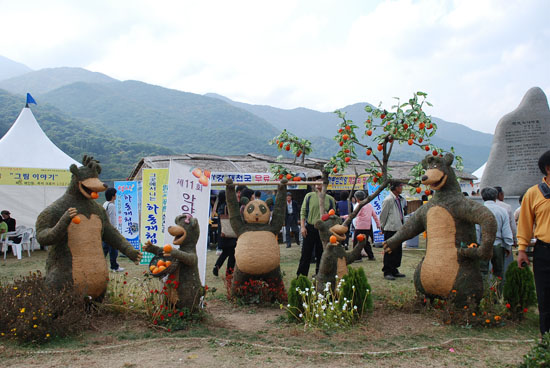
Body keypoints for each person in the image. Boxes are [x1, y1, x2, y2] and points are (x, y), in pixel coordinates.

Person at [517, 150, 550, 336]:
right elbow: (525, 223)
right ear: (548, 168)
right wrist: (522, 250)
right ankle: (546, 340)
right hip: (544, 251)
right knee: (545, 298)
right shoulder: (534, 193)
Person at [297, 183, 335, 277]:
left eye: (321, 183)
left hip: (323, 230)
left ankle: (320, 276)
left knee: (321, 254)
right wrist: (302, 226)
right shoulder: (309, 196)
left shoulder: (330, 199)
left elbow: (333, 216)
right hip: (310, 228)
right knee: (306, 254)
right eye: (316, 183)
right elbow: (303, 211)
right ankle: (301, 277)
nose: (318, 185)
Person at [479, 187, 513, 288]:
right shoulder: (502, 211)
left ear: (482, 197)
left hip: (483, 244)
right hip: (498, 244)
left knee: (482, 272)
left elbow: (477, 229)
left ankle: (484, 296)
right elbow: (506, 230)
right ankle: (498, 298)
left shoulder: (479, 210)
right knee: (499, 273)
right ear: (496, 196)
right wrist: (508, 246)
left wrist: (476, 243)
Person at [380, 182, 407, 280]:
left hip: (398, 228)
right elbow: (383, 214)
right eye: (400, 186)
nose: (402, 188)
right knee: (389, 250)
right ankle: (387, 271)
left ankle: (394, 269)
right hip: (390, 228)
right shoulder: (388, 200)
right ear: (394, 188)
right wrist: (382, 227)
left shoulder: (400, 199)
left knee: (397, 251)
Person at [213, 191, 237, 277]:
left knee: (226, 252)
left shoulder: (220, 206)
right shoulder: (227, 206)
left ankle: (216, 267)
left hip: (222, 233)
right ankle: (229, 272)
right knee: (232, 254)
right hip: (229, 234)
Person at [352, 190, 380, 261]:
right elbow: (374, 215)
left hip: (360, 226)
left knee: (356, 242)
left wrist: (346, 217)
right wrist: (378, 224)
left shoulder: (360, 205)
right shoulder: (369, 205)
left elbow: (355, 214)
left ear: (357, 198)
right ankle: (371, 256)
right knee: (365, 242)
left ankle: (357, 257)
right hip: (367, 226)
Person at [103, 188, 124, 272]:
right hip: (111, 231)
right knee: (113, 250)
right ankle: (114, 267)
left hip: (106, 230)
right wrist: (115, 230)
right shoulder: (111, 206)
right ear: (113, 195)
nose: (116, 195)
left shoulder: (105, 204)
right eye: (115, 194)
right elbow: (113, 219)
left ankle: (100, 265)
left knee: (105, 249)